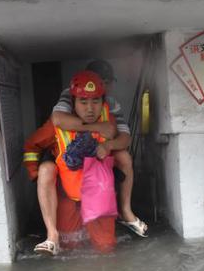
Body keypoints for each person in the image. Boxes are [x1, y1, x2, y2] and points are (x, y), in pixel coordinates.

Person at [23, 71, 119, 255]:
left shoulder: (109, 121)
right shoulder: (56, 125)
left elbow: (121, 147)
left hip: (99, 199)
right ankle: (52, 235)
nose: (90, 108)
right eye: (83, 102)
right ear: (73, 103)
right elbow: (31, 146)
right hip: (68, 199)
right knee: (69, 250)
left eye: (95, 101)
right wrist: (37, 176)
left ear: (103, 102)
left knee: (107, 249)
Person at [50, 59, 148, 237]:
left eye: (108, 82)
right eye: (103, 81)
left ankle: (126, 211)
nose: (107, 86)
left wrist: (107, 144)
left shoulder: (111, 102)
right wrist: (96, 127)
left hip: (101, 157)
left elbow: (125, 138)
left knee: (125, 157)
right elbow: (58, 119)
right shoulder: (71, 93)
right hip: (70, 161)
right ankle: (53, 232)